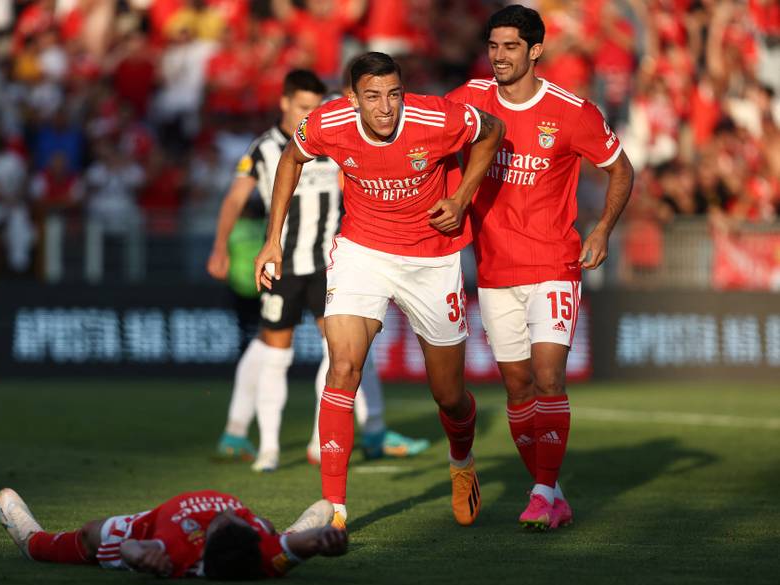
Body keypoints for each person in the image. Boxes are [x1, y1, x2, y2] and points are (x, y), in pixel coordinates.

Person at [255, 52, 505, 528]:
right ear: (352, 99)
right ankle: (335, 510)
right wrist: (273, 240)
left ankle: (461, 459)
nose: (386, 108)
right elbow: (291, 158)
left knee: (448, 394)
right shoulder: (328, 122)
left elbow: (493, 130)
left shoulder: (435, 117)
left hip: (432, 257)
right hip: (362, 251)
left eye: (393, 94)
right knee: (342, 366)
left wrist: (461, 198)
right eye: (372, 97)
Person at [446, 5, 634, 530]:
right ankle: (553, 493)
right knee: (517, 389)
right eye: (493, 46)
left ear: (535, 51)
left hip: (554, 263)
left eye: (510, 46)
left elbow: (621, 169)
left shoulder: (572, 111)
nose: (499, 56)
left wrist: (601, 229)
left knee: (549, 378)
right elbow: (423, 128)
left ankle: (542, 491)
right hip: (495, 268)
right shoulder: (469, 100)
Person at [207, 69, 428, 472]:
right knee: (273, 349)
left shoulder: (330, 140)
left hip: (330, 265)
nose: (309, 115)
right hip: (284, 265)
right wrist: (220, 246)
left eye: (315, 107)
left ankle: (322, 440)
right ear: (285, 103)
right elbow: (235, 197)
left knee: (343, 350)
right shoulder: (264, 149)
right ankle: (259, 441)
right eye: (302, 107)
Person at [0, 488, 347, 580]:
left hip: (150, 524)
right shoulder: (260, 543)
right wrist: (322, 539)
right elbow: (296, 544)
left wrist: (139, 557)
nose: (228, 514)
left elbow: (132, 548)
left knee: (91, 533)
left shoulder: (176, 546)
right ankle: (294, 525)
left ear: (209, 535)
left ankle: (33, 542)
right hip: (251, 547)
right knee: (270, 526)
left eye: (223, 522)